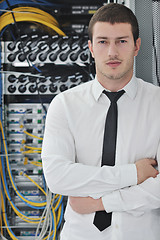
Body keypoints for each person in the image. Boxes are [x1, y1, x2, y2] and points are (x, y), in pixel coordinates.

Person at [41, 3, 160, 240]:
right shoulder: (65, 105)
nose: (112, 52)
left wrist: (100, 202)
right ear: (91, 48)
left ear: (137, 46)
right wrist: (133, 174)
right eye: (103, 41)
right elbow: (57, 177)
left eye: (122, 41)